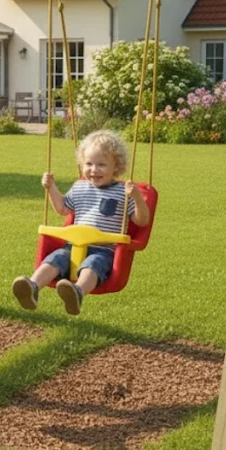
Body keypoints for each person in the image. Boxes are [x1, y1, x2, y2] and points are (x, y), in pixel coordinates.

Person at [12, 130, 150, 315]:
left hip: (104, 250)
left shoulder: (122, 192)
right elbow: (62, 208)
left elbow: (142, 221)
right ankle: (33, 287)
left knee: (93, 264)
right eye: (89, 164)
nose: (94, 169)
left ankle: (77, 292)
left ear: (116, 166)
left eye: (101, 164)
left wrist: (137, 198)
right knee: (56, 258)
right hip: (72, 247)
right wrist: (51, 187)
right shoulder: (80, 187)